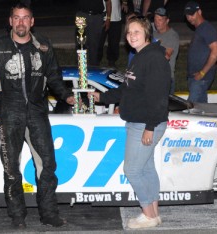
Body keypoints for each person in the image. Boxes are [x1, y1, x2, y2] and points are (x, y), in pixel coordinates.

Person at [0, 2, 75, 229]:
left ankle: (49, 214)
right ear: (10, 21)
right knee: (11, 168)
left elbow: (54, 76)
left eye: (25, 18)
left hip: (37, 111)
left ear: (32, 22)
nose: (21, 22)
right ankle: (17, 215)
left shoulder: (43, 45)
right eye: (16, 18)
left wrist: (67, 96)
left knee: (47, 165)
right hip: (9, 112)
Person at [89, 16, 170, 229]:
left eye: (136, 32)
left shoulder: (153, 59)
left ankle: (148, 215)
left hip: (145, 123)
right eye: (129, 32)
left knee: (132, 170)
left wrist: (150, 127)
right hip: (141, 121)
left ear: (146, 34)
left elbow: (159, 97)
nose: (132, 36)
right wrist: (101, 97)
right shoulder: (139, 56)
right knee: (146, 168)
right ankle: (154, 213)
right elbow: (126, 89)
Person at [184, 1, 217, 103]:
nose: (190, 18)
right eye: (187, 15)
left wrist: (202, 73)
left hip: (201, 78)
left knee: (189, 109)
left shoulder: (206, 28)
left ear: (199, 11)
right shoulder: (199, 29)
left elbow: (216, 52)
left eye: (192, 14)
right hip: (196, 77)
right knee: (201, 109)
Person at [76, 0, 112, 66]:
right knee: (81, 43)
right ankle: (81, 66)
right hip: (81, 15)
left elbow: (108, 2)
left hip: (96, 17)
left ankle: (93, 67)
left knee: (94, 44)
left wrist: (108, 18)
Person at [153, 7, 179, 94]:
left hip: (165, 79)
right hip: (152, 78)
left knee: (166, 107)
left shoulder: (172, 36)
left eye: (160, 20)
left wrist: (154, 46)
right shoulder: (153, 34)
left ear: (167, 21)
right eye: (155, 19)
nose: (157, 22)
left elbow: (166, 56)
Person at [98, 0, 123, 67]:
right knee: (98, 41)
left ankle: (112, 61)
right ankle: (96, 60)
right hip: (102, 16)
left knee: (114, 41)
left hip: (116, 16)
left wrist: (125, 2)